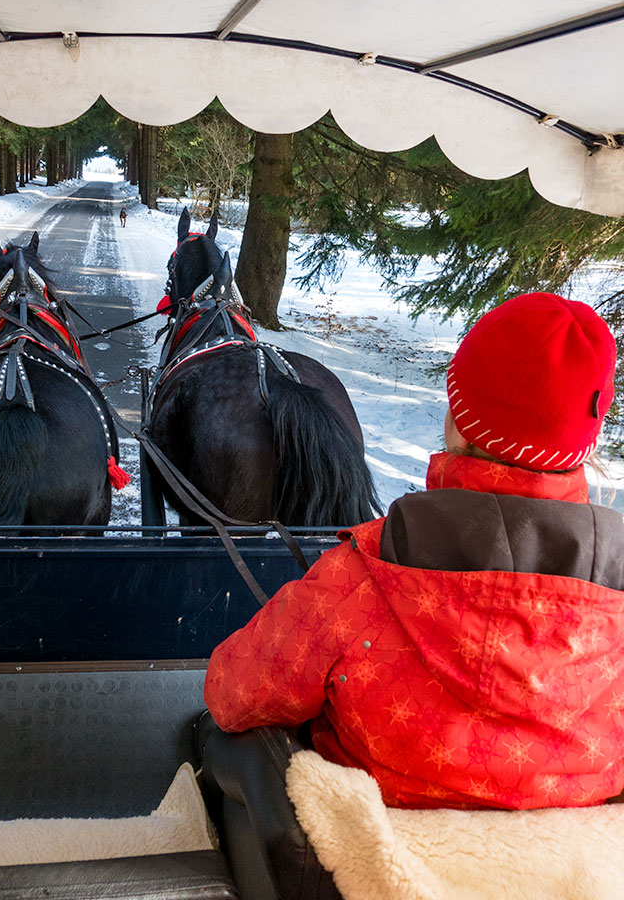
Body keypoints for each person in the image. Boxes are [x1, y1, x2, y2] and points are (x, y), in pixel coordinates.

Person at [204, 292, 624, 810]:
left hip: (371, 875)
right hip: (573, 877)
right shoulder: (616, 596)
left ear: (458, 421)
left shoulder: (367, 573)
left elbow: (230, 692)